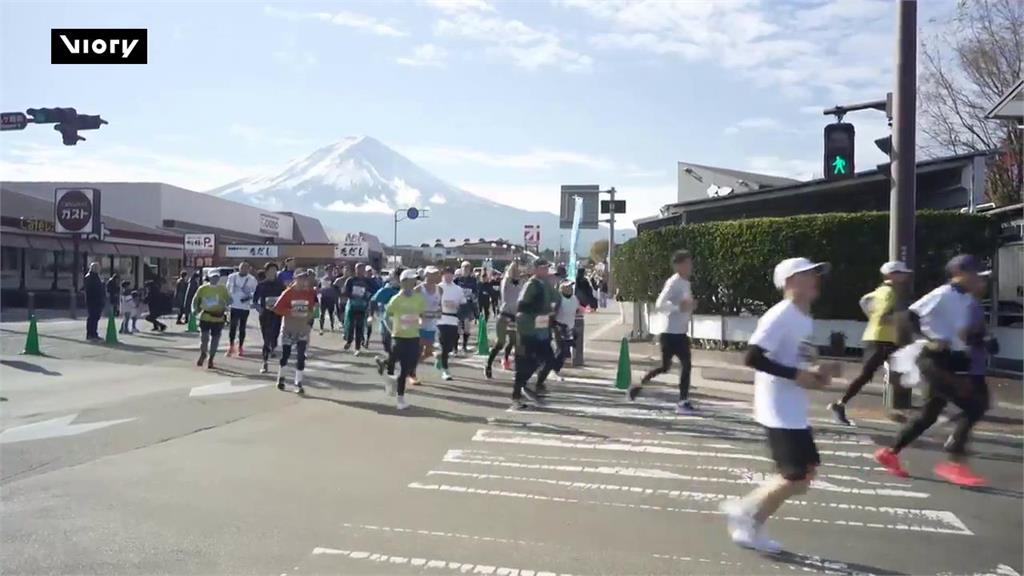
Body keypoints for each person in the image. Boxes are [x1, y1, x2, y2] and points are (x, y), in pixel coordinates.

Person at [720, 257, 833, 553]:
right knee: (795, 475)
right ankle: (748, 517)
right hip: (777, 408)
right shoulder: (780, 314)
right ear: (791, 281)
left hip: (793, 407)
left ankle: (748, 512)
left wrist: (818, 372)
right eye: (810, 274)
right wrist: (797, 374)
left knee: (805, 474)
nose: (816, 279)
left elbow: (800, 359)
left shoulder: (804, 317)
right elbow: (753, 357)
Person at [874, 255, 989, 486]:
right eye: (974, 273)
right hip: (932, 360)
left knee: (929, 414)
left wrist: (980, 340)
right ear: (959, 272)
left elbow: (958, 333)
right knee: (975, 405)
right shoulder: (943, 293)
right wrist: (928, 339)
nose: (978, 278)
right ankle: (954, 461)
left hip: (948, 361)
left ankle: (890, 452)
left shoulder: (965, 299)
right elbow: (911, 315)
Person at [827, 261, 912, 425]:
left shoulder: (880, 291)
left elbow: (864, 301)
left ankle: (893, 409)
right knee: (867, 375)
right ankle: (840, 404)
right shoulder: (889, 293)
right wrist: (902, 318)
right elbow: (882, 317)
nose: (904, 276)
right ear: (891, 275)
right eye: (901, 273)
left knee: (897, 370)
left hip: (882, 338)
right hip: (881, 339)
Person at [632, 250, 697, 413]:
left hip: (681, 333)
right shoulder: (673, 282)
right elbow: (660, 304)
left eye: (690, 263)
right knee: (665, 367)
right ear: (678, 265)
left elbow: (685, 306)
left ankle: (683, 401)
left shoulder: (686, 283)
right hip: (669, 334)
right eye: (687, 263)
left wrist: (690, 307)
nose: (690, 266)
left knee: (686, 366)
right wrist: (678, 308)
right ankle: (641, 382)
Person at [377, 269, 426, 410]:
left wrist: (421, 322)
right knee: (403, 369)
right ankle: (400, 398)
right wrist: (392, 329)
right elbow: (386, 316)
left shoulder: (418, 298)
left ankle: (388, 372)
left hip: (414, 336)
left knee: (411, 365)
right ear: (403, 282)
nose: (413, 283)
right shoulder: (396, 299)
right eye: (411, 280)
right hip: (399, 337)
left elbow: (421, 314)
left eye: (414, 280)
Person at [512, 259, 556, 409]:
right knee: (525, 364)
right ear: (536, 269)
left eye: (547, 268)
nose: (546, 271)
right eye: (543, 268)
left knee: (549, 359)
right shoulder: (531, 285)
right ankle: (517, 395)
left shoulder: (546, 284)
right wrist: (537, 311)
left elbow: (555, 300)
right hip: (528, 330)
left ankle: (532, 385)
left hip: (542, 331)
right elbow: (521, 306)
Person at [272, 269, 318, 394]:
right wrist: (290, 312)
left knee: (301, 356)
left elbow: (313, 309)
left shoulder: (309, 293)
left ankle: (298, 382)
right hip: (288, 329)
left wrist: (310, 316)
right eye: (300, 279)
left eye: (305, 279)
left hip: (302, 329)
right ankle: (281, 377)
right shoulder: (288, 293)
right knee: (285, 355)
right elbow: (276, 308)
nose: (303, 281)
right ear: (295, 279)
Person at [485, 261, 522, 378]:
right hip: (505, 316)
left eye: (517, 270)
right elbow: (507, 280)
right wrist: (511, 270)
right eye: (514, 270)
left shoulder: (521, 283)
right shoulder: (506, 282)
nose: (516, 272)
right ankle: (488, 364)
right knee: (500, 343)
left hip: (515, 317)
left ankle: (513, 366)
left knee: (515, 342)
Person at [192, 271, 230, 369]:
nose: (215, 279)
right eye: (213, 277)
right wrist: (194, 310)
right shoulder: (203, 288)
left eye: (217, 277)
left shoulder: (223, 289)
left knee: (215, 340)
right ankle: (203, 353)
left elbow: (230, 300)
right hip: (205, 316)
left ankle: (211, 358)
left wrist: (225, 303)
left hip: (218, 317)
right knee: (204, 339)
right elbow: (195, 300)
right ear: (209, 277)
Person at [437, 267, 468, 381]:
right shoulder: (438, 287)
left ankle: (440, 357)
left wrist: (458, 308)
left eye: (450, 274)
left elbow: (464, 304)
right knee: (444, 344)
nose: (448, 276)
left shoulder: (458, 289)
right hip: (441, 319)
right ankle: (445, 370)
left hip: (453, 320)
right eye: (446, 274)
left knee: (450, 346)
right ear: (442, 275)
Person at [255, 262, 286, 374]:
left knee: (274, 336)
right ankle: (265, 362)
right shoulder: (261, 285)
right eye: (271, 270)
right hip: (265, 315)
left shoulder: (280, 284)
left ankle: (273, 347)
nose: (273, 273)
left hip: (277, 314)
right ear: (266, 272)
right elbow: (255, 300)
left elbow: (285, 298)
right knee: (266, 338)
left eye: (274, 271)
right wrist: (259, 308)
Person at [371, 269, 402, 374]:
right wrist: (372, 315)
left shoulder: (407, 291)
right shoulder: (387, 290)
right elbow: (373, 300)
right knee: (389, 348)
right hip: (387, 323)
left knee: (400, 350)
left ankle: (387, 365)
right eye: (396, 277)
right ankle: (388, 365)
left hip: (403, 324)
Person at [225, 262, 257, 357]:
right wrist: (227, 300)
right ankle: (231, 346)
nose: (244, 270)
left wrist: (248, 298)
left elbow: (255, 292)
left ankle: (240, 346)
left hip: (244, 306)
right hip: (234, 305)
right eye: (242, 268)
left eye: (246, 268)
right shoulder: (232, 277)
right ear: (239, 268)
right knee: (233, 327)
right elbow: (227, 289)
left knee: (242, 328)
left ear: (249, 269)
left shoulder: (252, 279)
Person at [551, 279, 580, 381]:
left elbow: (577, 312)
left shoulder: (574, 299)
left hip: (569, 328)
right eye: (568, 286)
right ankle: (552, 370)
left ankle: (555, 369)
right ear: (562, 288)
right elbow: (552, 313)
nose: (570, 288)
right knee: (561, 349)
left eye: (571, 286)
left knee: (566, 352)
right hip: (559, 326)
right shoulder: (559, 299)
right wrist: (554, 325)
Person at [343, 263, 373, 354]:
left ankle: (357, 348)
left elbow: (371, 292)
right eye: (359, 269)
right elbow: (346, 291)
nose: (361, 271)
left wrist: (366, 297)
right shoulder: (351, 280)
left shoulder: (368, 281)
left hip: (362, 306)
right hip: (352, 305)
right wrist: (353, 296)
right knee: (350, 325)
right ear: (355, 270)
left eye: (362, 269)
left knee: (359, 327)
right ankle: (349, 341)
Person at [454, 261, 481, 353]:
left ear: (470, 270)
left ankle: (464, 346)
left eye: (467, 268)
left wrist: (474, 300)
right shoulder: (457, 280)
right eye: (464, 268)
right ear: (461, 269)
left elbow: (476, 293)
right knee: (457, 328)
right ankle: (455, 347)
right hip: (458, 306)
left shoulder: (473, 280)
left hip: (468, 306)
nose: (465, 270)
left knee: (466, 327)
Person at [418, 266, 442, 364]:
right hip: (419, 325)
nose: (433, 277)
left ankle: (391, 363)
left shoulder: (439, 290)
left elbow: (440, 307)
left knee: (427, 352)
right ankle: (410, 372)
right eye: (431, 274)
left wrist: (438, 313)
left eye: (435, 274)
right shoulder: (419, 289)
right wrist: (419, 314)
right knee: (417, 350)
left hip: (432, 326)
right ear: (426, 275)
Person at [84, 262, 105, 340]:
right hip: (93, 301)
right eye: (97, 268)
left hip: (97, 300)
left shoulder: (96, 277)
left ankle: (94, 333)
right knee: (92, 317)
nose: (99, 269)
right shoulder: (90, 277)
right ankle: (90, 334)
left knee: (95, 318)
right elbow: (90, 290)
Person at [318, 266, 339, 334]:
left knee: (331, 313)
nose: (329, 272)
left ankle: (332, 327)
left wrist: (335, 297)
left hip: (331, 298)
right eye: (328, 270)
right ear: (326, 271)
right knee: (322, 314)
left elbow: (337, 289)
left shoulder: (334, 279)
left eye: (331, 270)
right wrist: (320, 291)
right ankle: (321, 328)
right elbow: (318, 288)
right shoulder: (322, 279)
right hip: (323, 298)